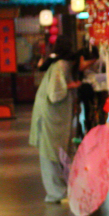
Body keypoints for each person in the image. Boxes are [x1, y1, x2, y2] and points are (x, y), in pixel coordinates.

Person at [29, 35, 81, 203]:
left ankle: (60, 190)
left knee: (55, 152)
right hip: (50, 115)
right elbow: (55, 93)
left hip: (52, 114)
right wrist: (73, 85)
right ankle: (56, 193)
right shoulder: (61, 65)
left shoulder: (59, 63)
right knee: (50, 153)